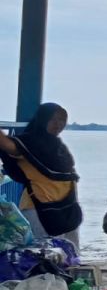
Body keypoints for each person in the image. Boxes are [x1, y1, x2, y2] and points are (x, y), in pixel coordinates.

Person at [0, 103, 83, 250]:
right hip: (40, 209)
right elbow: (7, 145)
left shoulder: (58, 146)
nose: (58, 124)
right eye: (53, 119)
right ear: (43, 119)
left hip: (67, 209)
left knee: (71, 256)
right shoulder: (30, 143)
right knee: (47, 257)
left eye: (62, 119)